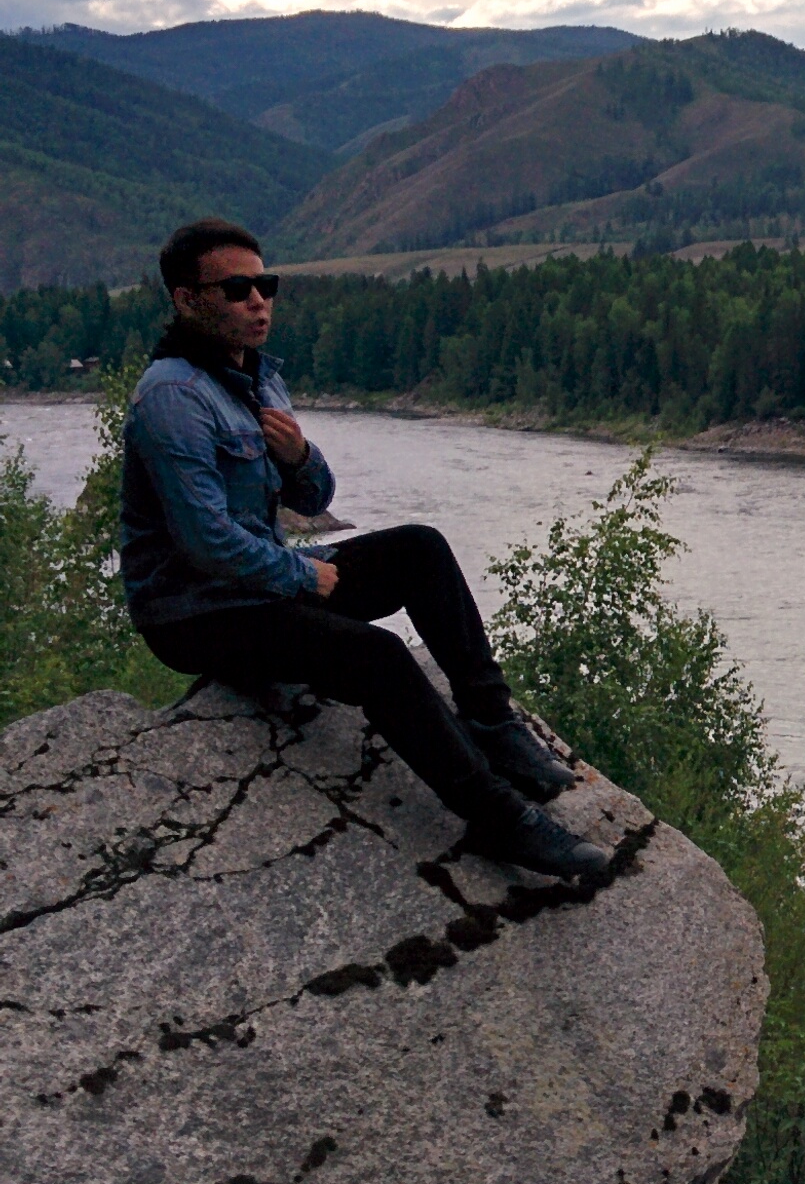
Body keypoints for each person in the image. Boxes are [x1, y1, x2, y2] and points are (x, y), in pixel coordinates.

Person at [120, 219, 611, 884]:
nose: (259, 301)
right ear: (186, 299)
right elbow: (205, 542)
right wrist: (301, 577)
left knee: (420, 550)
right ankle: (501, 820)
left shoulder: (259, 381)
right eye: (237, 289)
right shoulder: (172, 399)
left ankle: (493, 724)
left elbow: (317, 491)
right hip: (194, 615)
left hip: (259, 585)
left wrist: (298, 457)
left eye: (265, 285)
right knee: (375, 656)